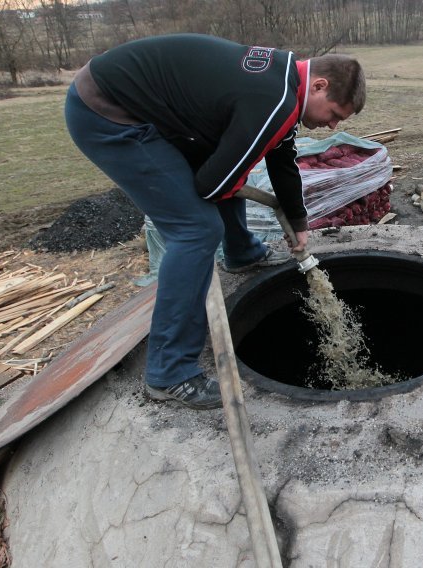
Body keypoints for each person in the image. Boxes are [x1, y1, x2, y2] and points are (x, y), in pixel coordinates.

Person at [65, 34, 365, 410]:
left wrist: (297, 219)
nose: (330, 125)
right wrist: (229, 183)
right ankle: (170, 373)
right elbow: (213, 185)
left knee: (227, 168)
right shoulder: (272, 100)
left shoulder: (286, 80)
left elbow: (281, 155)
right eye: (334, 115)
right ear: (319, 86)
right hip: (109, 115)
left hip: (140, 103)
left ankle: (242, 252)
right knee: (197, 229)